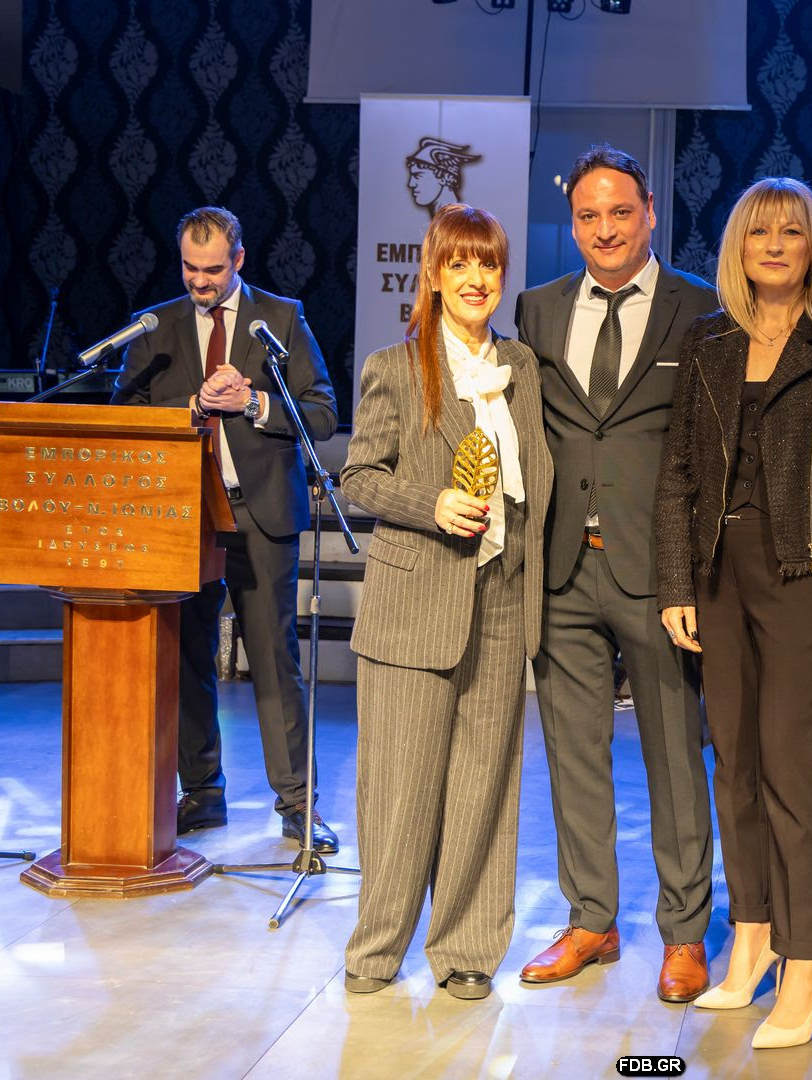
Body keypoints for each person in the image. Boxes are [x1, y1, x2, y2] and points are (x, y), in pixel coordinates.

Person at [653, 177, 812, 1047]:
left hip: (801, 570)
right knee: (735, 762)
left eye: (792, 231)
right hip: (716, 571)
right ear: (739, 249)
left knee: (793, 768)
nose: (776, 246)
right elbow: (679, 470)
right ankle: (749, 935)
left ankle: (804, 959)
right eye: (760, 233)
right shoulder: (708, 338)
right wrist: (675, 584)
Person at [514, 145, 718, 1003]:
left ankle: (685, 932)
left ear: (651, 214)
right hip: (562, 567)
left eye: (621, 212)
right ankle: (590, 918)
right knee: (573, 756)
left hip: (659, 572)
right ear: (573, 224)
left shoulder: (701, 308)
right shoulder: (536, 308)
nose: (605, 230)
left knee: (675, 757)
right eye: (589, 216)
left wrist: (696, 574)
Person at [339, 205, 552, 1000]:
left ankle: (466, 949)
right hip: (415, 602)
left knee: (483, 789)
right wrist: (430, 503)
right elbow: (359, 478)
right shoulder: (396, 367)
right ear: (432, 274)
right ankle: (376, 949)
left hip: (502, 599)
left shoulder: (521, 367)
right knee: (401, 789)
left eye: (487, 264)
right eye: (459, 263)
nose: (475, 279)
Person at [112, 206, 339, 852]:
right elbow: (125, 416)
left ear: (238, 259)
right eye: (189, 267)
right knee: (189, 658)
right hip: (185, 518)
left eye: (212, 269)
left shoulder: (281, 319)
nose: (199, 281)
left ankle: (297, 805)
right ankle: (203, 794)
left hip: (260, 515)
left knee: (273, 660)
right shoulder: (157, 326)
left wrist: (254, 402)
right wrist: (191, 406)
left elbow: (323, 412)